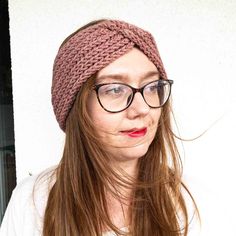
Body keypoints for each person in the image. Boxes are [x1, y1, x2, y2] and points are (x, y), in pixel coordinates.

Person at [0, 19, 199, 236]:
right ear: (76, 107)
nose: (141, 109)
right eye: (114, 89)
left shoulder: (189, 201)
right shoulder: (31, 203)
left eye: (152, 86)